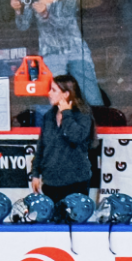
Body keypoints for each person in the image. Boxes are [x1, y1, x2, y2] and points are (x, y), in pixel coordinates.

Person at [13, 0, 101, 108]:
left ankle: (100, 126)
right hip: (51, 52)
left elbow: (63, 24)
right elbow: (23, 26)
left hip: (75, 50)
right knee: (55, 97)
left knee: (91, 95)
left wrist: (45, 14)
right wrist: (18, 11)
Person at [29, 76, 94, 206]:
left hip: (75, 183)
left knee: (72, 224)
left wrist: (66, 113)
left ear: (66, 94)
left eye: (53, 90)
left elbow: (75, 136)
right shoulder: (49, 116)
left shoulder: (83, 115)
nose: (49, 93)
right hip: (50, 183)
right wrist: (35, 174)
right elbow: (42, 146)